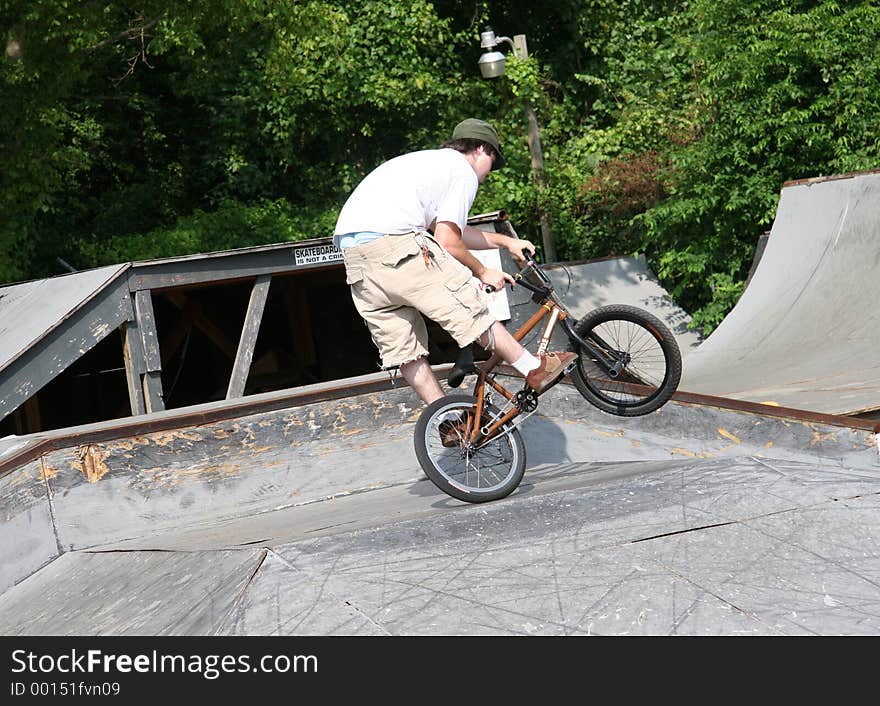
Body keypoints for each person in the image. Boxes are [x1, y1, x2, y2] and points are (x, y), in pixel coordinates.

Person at [333, 117, 576, 410]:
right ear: (482, 149)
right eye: (493, 163)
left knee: (405, 352)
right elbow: (448, 240)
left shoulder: (425, 167)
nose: (488, 176)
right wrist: (483, 271)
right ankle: (532, 368)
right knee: (468, 309)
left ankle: (447, 420)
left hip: (356, 261)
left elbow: (451, 230)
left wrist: (507, 242)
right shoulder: (462, 171)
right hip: (396, 245)